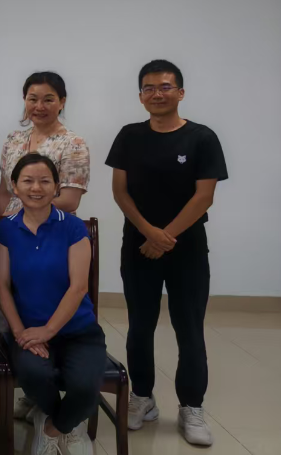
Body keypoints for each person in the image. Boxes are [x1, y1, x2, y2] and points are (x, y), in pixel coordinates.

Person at [107, 59, 227, 447]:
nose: (156, 94)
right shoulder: (129, 136)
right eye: (148, 88)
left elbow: (204, 196)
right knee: (139, 326)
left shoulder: (202, 138)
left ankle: (192, 407)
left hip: (186, 248)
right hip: (138, 245)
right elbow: (120, 191)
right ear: (140, 96)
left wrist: (165, 237)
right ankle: (143, 398)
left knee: (189, 328)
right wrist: (149, 233)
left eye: (164, 87)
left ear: (180, 92)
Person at [0, 153, 106, 455]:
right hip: (28, 330)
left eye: (45, 181)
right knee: (34, 375)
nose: (36, 188)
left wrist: (48, 330)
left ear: (57, 187)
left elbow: (78, 287)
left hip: (78, 331)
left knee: (85, 388)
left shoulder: (73, 227)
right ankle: (63, 419)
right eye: (28, 181)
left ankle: (53, 427)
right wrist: (20, 332)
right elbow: (1, 285)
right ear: (14, 186)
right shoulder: (6, 229)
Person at [0, 72, 89, 216]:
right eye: (33, 99)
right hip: (11, 224)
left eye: (48, 100)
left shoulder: (73, 144)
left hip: (53, 223)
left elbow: (69, 201)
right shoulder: (13, 140)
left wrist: (20, 214)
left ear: (62, 102)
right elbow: (4, 192)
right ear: (25, 100)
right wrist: (1, 222)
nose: (39, 107)